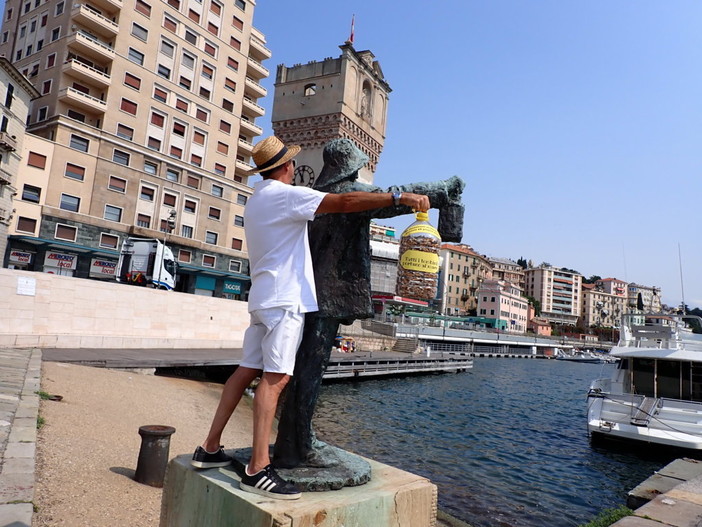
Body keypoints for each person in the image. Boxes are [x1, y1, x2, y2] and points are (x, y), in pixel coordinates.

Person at [191, 136, 429, 500]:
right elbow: (345, 201)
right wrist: (400, 198)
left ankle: (209, 448)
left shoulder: (256, 199)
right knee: (276, 379)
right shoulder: (285, 195)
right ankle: (257, 468)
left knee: (245, 372)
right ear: (286, 167)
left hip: (261, 297)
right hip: (284, 301)